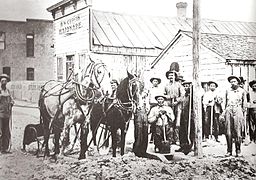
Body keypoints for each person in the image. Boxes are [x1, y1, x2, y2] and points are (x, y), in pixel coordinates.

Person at [224, 75, 246, 157]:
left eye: (234, 81)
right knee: (228, 131)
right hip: (229, 109)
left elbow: (244, 104)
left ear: (238, 82)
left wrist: (242, 113)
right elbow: (225, 102)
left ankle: (238, 150)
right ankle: (229, 150)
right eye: (231, 81)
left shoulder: (242, 91)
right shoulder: (227, 91)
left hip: (238, 109)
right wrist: (225, 111)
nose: (232, 83)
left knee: (238, 131)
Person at [164, 70, 185, 144]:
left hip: (177, 105)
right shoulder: (166, 85)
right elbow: (163, 95)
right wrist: (169, 97)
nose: (171, 77)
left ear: (175, 76)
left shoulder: (179, 85)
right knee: (169, 121)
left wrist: (177, 101)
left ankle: (177, 139)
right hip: (169, 105)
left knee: (177, 123)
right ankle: (170, 138)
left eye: (172, 75)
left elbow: (183, 96)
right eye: (169, 76)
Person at [175, 81, 194, 155]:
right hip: (183, 114)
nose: (186, 87)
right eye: (185, 86)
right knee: (182, 130)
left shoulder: (192, 96)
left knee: (189, 130)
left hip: (189, 115)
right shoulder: (184, 95)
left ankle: (188, 146)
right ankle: (182, 145)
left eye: (187, 86)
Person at [0, 74, 14, 154]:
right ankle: (1, 148)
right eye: (2, 81)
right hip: (0, 114)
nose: (4, 83)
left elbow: (12, 100)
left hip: (7, 114)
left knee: (6, 131)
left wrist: (11, 103)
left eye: (5, 81)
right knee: (1, 132)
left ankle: (5, 148)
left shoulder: (8, 91)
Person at [148, 76, 163, 143]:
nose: (155, 82)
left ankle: (155, 137)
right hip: (152, 105)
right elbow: (148, 97)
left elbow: (161, 97)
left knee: (158, 121)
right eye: (154, 81)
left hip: (158, 104)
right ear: (152, 82)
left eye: (156, 81)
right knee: (152, 121)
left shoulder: (160, 89)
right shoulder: (150, 89)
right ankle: (152, 137)